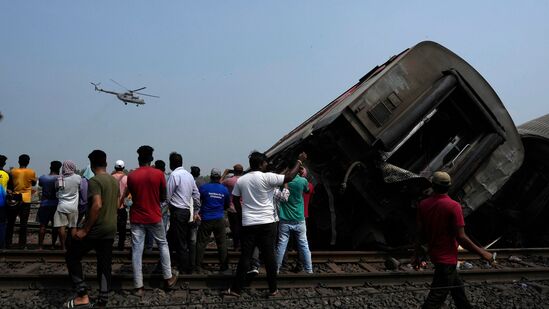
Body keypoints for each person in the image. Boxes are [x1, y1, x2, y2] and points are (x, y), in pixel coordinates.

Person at [226, 151, 307, 297]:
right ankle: (273, 289)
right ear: (261, 164)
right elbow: (289, 177)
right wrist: (299, 161)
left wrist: (241, 214)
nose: (266, 164)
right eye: (265, 163)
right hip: (267, 224)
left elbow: (236, 199)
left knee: (245, 256)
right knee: (270, 256)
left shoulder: (242, 180)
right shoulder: (267, 177)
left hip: (249, 223)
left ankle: (236, 289)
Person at [414, 171, 495, 309]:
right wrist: (483, 253)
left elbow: (420, 234)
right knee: (434, 300)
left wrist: (416, 255)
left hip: (436, 256)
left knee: (458, 292)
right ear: (449, 187)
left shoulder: (423, 204)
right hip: (447, 260)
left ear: (433, 185)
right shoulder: (453, 206)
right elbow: (461, 237)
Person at [64, 150, 119, 308]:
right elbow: (116, 205)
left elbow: (97, 205)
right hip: (110, 228)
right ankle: (102, 300)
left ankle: (82, 295)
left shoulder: (94, 181)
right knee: (104, 264)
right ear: (106, 163)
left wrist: (85, 230)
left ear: (92, 164)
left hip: (96, 229)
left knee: (72, 256)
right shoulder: (113, 180)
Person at [123, 146, 177, 296]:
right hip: (154, 215)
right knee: (162, 244)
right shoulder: (159, 174)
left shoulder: (132, 176)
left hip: (137, 217)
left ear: (138, 158)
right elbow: (163, 197)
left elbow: (132, 195)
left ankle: (138, 287)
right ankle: (168, 277)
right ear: (151, 159)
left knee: (137, 250)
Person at [275, 164, 313, 274]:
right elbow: (306, 190)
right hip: (299, 218)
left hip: (285, 218)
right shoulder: (302, 181)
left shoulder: (283, 182)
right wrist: (302, 174)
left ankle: (276, 269)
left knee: (281, 245)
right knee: (304, 245)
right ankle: (309, 270)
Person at [167, 152, 201, 274]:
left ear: (171, 163)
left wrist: (162, 211)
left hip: (177, 212)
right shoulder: (189, 176)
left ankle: (185, 268)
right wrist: (196, 210)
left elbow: (168, 196)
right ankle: (166, 263)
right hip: (186, 212)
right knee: (170, 239)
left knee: (180, 242)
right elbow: (196, 195)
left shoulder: (174, 175)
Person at [196, 168, 230, 272]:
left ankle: (197, 266)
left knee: (201, 243)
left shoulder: (203, 188)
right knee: (222, 243)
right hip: (219, 218)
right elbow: (227, 205)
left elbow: (198, 201)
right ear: (219, 177)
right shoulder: (224, 189)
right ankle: (224, 266)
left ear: (211, 177)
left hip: (206, 218)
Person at [6, 154, 37, 248]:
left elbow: (10, 184)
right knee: (24, 223)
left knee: (11, 222)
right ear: (28, 162)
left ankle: (8, 243)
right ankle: (22, 244)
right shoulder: (31, 172)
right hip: (26, 198)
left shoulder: (12, 171)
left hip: (15, 198)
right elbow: (34, 182)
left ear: (19, 162)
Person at [54, 160, 81, 251]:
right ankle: (73, 247)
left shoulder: (60, 178)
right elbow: (80, 189)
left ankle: (63, 247)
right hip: (73, 207)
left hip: (61, 206)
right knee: (73, 227)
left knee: (61, 227)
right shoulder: (78, 178)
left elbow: (56, 189)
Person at [37, 161, 62, 250]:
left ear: (50, 167)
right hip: (55, 204)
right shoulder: (60, 178)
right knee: (55, 226)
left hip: (44, 204)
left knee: (42, 226)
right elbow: (61, 189)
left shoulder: (43, 178)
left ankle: (40, 246)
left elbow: (40, 184)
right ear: (59, 168)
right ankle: (53, 245)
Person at [222, 164, 244, 250]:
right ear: (242, 171)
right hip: (243, 208)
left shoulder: (228, 181)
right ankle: (243, 245)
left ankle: (236, 246)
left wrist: (224, 174)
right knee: (243, 228)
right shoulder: (245, 180)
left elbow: (218, 184)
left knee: (234, 228)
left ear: (234, 171)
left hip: (232, 208)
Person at [111, 160, 128, 251]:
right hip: (122, 206)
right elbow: (128, 192)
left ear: (115, 167)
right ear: (123, 168)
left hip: (112, 207)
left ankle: (110, 245)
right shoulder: (126, 178)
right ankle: (121, 246)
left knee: (112, 227)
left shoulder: (110, 178)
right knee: (122, 229)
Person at [0, 155, 8, 249]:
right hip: (2, 203)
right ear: (4, 163)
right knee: (2, 224)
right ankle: (1, 245)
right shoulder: (7, 175)